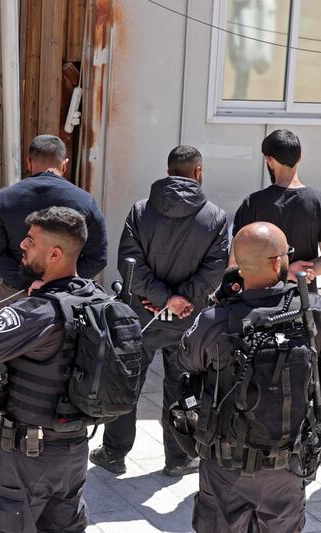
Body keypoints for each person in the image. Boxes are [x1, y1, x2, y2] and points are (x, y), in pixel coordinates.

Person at [181, 222, 321, 532]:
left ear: (237, 266)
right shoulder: (313, 312)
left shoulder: (214, 321)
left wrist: (220, 305)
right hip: (286, 468)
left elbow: (187, 361)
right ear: (279, 262)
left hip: (225, 468)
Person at [0, 207, 96, 533]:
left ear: (55, 253)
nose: (22, 245)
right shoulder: (95, 301)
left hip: (26, 458)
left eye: (31, 240)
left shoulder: (38, 311)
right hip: (74, 452)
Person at [90, 146, 228, 476]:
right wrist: (181, 300)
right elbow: (214, 271)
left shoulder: (140, 211)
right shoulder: (215, 217)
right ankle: (179, 459)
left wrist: (162, 297)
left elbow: (128, 264)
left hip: (142, 315)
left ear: (168, 172)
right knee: (181, 387)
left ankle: (114, 453)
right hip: (188, 321)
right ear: (198, 172)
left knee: (128, 383)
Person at [0, 134, 107, 311]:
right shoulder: (85, 201)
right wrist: (62, 283)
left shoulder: (5, 199)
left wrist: (28, 282)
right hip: (67, 301)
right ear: (65, 164)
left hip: (15, 297)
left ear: (29, 162)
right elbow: (98, 257)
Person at [231, 129, 321, 292]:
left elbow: (234, 262)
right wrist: (300, 272)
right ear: (300, 157)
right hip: (302, 300)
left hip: (258, 302)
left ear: (269, 160)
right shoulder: (320, 202)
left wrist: (284, 272)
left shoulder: (253, 203)